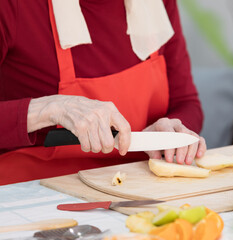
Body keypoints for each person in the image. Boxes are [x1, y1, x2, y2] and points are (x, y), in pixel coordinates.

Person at [0, 0, 206, 185]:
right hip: (34, 192)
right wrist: (46, 109)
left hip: (138, 187)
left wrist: (172, 130)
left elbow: (186, 102)